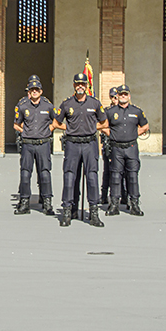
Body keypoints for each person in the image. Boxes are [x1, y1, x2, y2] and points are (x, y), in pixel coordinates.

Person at [52, 72, 108, 228]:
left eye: (83, 84)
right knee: (69, 178)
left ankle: (94, 213)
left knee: (92, 178)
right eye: (77, 84)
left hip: (90, 144)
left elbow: (104, 123)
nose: (80, 86)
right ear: (74, 85)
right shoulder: (67, 104)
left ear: (87, 86)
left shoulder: (95, 103)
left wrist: (92, 128)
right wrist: (70, 129)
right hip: (72, 144)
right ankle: (68, 211)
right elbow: (56, 123)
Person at [13, 79, 58, 215]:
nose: (34, 92)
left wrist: (49, 130)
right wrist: (25, 132)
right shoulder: (23, 106)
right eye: (32, 90)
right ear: (29, 92)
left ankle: (47, 203)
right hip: (28, 144)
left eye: (37, 90)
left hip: (43, 144)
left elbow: (56, 121)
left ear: (41, 91)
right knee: (25, 173)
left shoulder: (48, 106)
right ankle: (24, 203)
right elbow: (16, 124)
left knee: (45, 173)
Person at [103, 84, 148, 216]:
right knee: (115, 177)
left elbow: (145, 126)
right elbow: (102, 126)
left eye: (125, 94)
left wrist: (133, 134)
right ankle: (114, 205)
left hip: (131, 148)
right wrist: (111, 134)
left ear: (129, 96)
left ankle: (134, 204)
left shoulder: (137, 111)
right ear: (117, 96)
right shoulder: (110, 112)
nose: (123, 96)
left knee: (133, 176)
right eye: (121, 94)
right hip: (116, 148)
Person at [100, 87, 120, 205]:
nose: (114, 99)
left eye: (116, 97)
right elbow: (101, 125)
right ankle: (104, 195)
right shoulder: (107, 111)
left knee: (122, 172)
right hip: (109, 143)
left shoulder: (124, 110)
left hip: (120, 144)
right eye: (112, 97)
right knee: (107, 171)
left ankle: (123, 196)